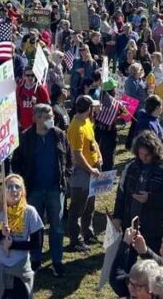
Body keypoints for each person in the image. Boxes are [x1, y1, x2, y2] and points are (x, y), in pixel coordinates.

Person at [11, 103, 70, 277]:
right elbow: (16, 162)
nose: (51, 119)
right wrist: (23, 184)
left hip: (55, 190)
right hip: (34, 190)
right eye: (47, 117)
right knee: (35, 228)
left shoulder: (59, 135)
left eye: (51, 116)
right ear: (36, 118)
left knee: (57, 227)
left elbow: (69, 158)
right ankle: (35, 259)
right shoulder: (26, 137)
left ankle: (57, 260)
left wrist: (65, 178)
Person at [112, 131, 163, 255]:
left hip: (155, 229)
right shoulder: (131, 166)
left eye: (147, 155)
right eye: (140, 154)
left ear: (155, 151)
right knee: (127, 264)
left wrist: (150, 198)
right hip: (130, 226)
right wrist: (117, 217)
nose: (143, 158)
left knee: (153, 265)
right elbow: (121, 193)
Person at [0, 174, 44, 299]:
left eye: (18, 187)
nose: (14, 190)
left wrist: (13, 245)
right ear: (3, 191)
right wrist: (1, 234)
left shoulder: (30, 212)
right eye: (10, 187)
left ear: (23, 191)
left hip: (19, 269)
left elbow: (37, 244)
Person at [66, 95, 101, 252]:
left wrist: (99, 155)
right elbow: (78, 155)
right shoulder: (76, 127)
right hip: (82, 172)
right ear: (88, 109)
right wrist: (91, 169)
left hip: (91, 168)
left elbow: (93, 141)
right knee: (78, 208)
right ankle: (75, 240)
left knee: (90, 205)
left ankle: (88, 232)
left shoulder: (86, 121)